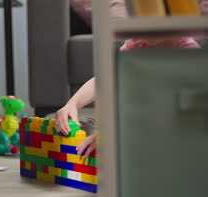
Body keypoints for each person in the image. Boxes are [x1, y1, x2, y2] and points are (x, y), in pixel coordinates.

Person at [53, 37, 201, 157]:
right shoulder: (138, 43)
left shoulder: (189, 55)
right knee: (83, 129)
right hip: (137, 123)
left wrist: (115, 135)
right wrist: (73, 103)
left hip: (173, 132)